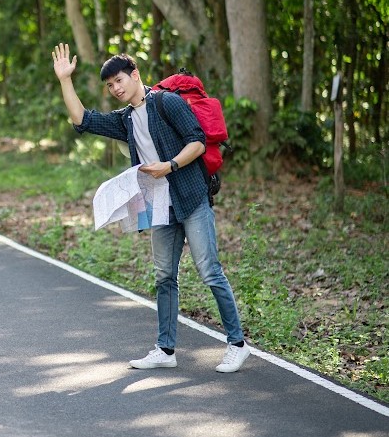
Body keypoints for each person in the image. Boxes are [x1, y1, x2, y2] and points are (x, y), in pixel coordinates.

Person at [51, 44, 250, 373]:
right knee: (163, 277)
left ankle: (238, 343)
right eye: (110, 85)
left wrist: (169, 166)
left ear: (135, 75)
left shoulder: (166, 102)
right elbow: (83, 120)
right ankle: (165, 349)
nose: (116, 89)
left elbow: (198, 142)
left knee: (210, 272)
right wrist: (65, 81)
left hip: (191, 196)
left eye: (119, 81)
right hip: (161, 206)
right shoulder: (126, 119)